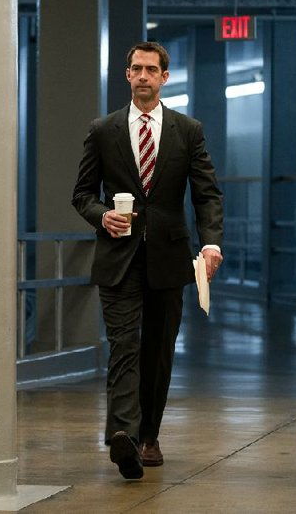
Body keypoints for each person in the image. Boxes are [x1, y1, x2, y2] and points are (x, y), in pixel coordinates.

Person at [71, 41, 223, 480]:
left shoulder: (187, 130)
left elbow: (207, 193)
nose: (142, 76)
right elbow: (82, 194)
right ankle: (123, 434)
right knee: (124, 345)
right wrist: (103, 217)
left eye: (151, 70)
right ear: (126, 75)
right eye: (135, 69)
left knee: (158, 350)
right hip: (118, 257)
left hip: (169, 257)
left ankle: (148, 435)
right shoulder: (104, 130)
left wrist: (211, 243)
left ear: (164, 77)